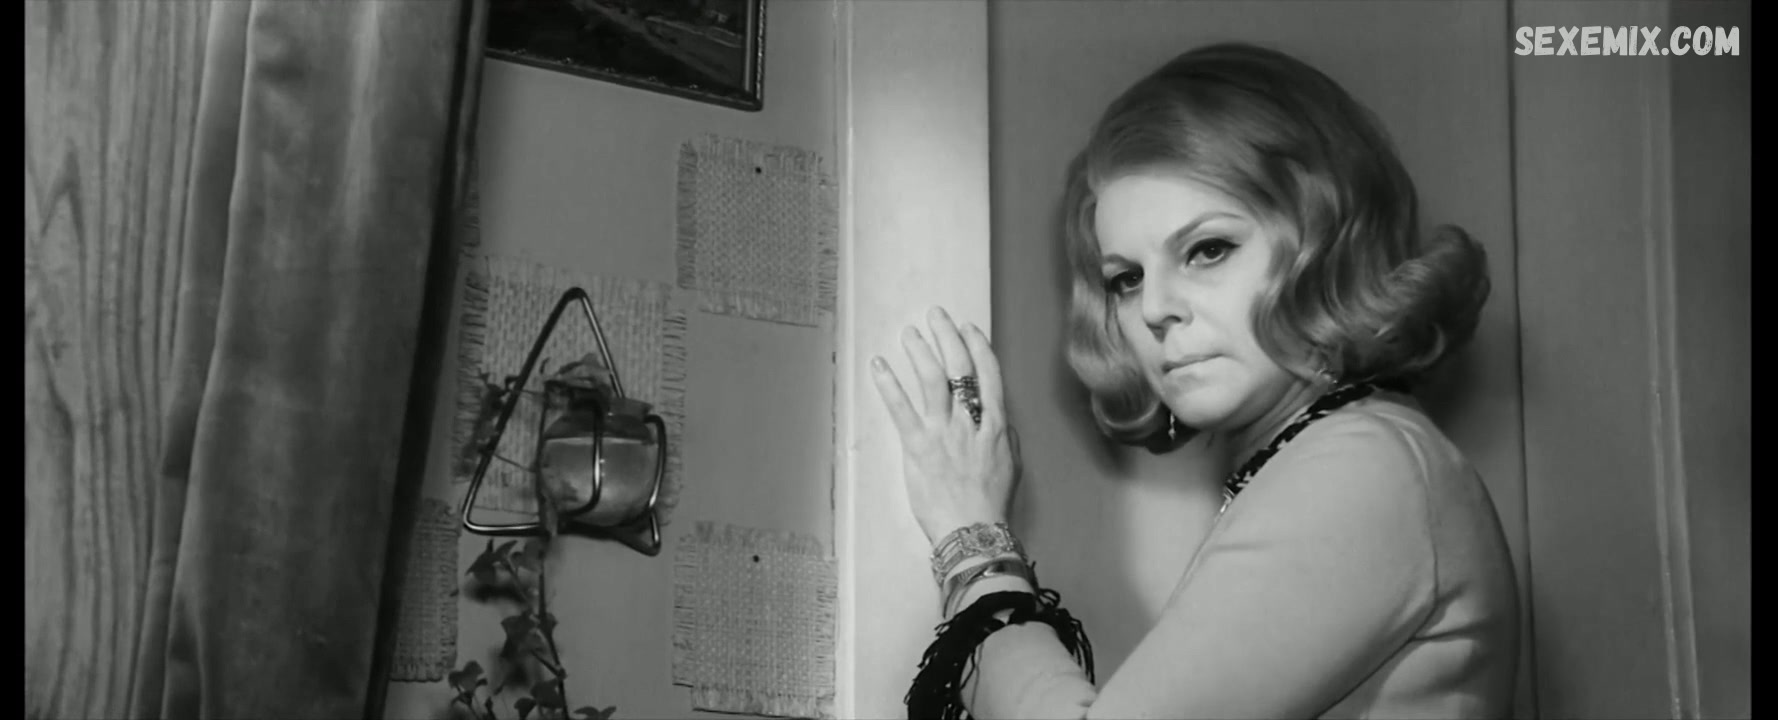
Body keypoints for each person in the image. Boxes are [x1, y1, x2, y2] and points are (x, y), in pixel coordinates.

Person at [869, 42, 1520, 719]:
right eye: (1126, 278)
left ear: (1326, 241)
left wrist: (973, 544)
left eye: (1208, 250)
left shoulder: (1365, 464)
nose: (1154, 308)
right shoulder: (1331, 455)